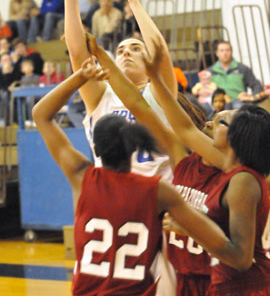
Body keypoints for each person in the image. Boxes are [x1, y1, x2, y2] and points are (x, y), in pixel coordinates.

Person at [32, 57, 244, 296]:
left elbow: (40, 114)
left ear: (96, 150)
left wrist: (81, 76)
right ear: (134, 148)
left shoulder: (82, 177)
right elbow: (219, 242)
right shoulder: (158, 190)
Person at [87, 36, 270, 296]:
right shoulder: (185, 160)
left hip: (235, 284)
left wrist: (189, 227)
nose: (206, 124)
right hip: (186, 275)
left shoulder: (242, 178)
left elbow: (240, 259)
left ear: (237, 138)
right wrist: (102, 56)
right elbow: (139, 106)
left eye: (218, 122)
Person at [48, 0, 177, 181]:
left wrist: (135, 4)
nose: (126, 51)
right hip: (111, 201)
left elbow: (160, 51)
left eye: (136, 48)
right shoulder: (101, 95)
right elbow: (77, 53)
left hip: (158, 203)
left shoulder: (158, 93)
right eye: (120, 50)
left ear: (149, 64)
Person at [208, 41, 263, 105]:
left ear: (231, 52)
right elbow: (201, 88)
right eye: (222, 51)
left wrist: (253, 98)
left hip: (238, 103)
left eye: (227, 50)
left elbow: (256, 85)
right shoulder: (210, 72)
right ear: (217, 53)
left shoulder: (242, 69)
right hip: (218, 105)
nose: (225, 53)